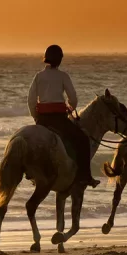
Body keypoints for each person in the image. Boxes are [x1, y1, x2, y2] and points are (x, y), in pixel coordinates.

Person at [27, 45, 99, 188]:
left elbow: (31, 100)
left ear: (46, 58)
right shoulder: (63, 76)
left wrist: (36, 117)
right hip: (59, 118)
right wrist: (71, 108)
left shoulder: (38, 76)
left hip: (42, 118)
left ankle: (29, 171)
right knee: (83, 140)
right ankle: (85, 176)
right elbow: (73, 98)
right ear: (60, 60)